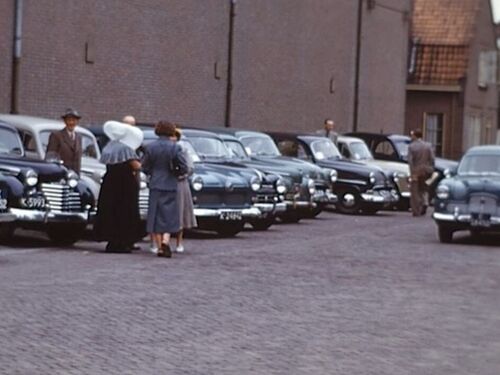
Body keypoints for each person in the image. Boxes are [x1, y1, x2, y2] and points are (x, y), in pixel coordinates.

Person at [94, 121, 144, 252]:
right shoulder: (127, 148)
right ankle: (123, 242)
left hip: (109, 182)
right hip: (125, 183)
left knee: (111, 211)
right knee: (125, 212)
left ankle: (111, 241)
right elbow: (136, 166)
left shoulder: (109, 146)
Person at [142, 121, 188, 258]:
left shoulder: (151, 147)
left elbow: (144, 166)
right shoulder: (176, 148)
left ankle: (158, 244)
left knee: (155, 215)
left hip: (155, 183)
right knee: (169, 215)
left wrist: (151, 173)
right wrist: (176, 174)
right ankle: (166, 241)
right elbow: (184, 167)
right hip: (170, 184)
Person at [173, 127, 197, 253]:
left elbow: (189, 167)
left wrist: (181, 175)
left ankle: (179, 241)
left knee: (180, 211)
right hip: (169, 182)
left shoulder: (182, 149)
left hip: (179, 183)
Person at [46, 108, 83, 174]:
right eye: (69, 120)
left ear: (77, 122)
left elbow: (78, 160)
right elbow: (50, 157)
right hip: (60, 173)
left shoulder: (79, 137)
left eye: (74, 120)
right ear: (65, 121)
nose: (71, 123)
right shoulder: (56, 136)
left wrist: (77, 175)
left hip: (74, 177)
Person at [408, 128, 435, 217]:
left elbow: (410, 161)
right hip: (426, 170)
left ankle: (416, 209)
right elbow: (432, 159)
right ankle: (425, 202)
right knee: (424, 188)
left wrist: (412, 172)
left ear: (415, 136)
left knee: (415, 191)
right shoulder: (428, 146)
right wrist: (430, 168)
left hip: (416, 170)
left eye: (412, 135)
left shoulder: (411, 146)